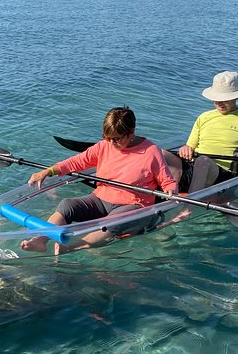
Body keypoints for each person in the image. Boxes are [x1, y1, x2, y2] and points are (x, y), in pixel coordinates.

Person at [20, 106, 178, 254]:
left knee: (111, 223)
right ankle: (40, 240)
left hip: (134, 204)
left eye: (116, 139)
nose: (111, 142)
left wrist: (171, 190)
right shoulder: (104, 146)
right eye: (107, 137)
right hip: (102, 198)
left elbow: (167, 181)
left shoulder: (151, 152)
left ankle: (69, 248)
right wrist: (49, 171)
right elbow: (77, 162)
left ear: (131, 133)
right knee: (67, 205)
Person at [162, 71, 238, 193]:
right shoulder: (204, 117)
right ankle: (155, 194)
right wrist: (186, 148)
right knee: (159, 153)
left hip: (222, 174)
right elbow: (190, 146)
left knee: (203, 161)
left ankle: (188, 208)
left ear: (236, 97)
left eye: (224, 99)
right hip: (194, 167)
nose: (218, 103)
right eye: (216, 99)